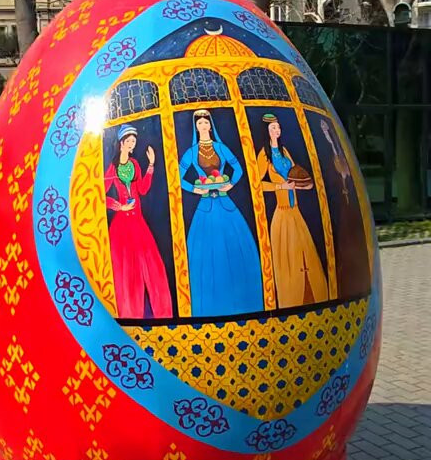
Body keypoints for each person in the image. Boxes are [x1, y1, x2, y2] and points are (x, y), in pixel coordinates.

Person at [179, 108, 263, 317]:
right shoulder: (192, 152)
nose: (203, 126)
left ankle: (245, 304)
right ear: (196, 127)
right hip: (205, 205)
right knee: (204, 257)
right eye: (199, 123)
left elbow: (238, 168)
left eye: (206, 122)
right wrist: (195, 189)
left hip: (225, 203)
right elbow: (178, 176)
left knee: (237, 251)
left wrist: (230, 184)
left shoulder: (220, 147)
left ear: (211, 125)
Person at [257, 113, 328, 308]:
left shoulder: (285, 151)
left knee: (305, 254)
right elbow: (257, 184)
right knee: (288, 257)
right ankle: (291, 298)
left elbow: (295, 173)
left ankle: (311, 295)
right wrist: (281, 187)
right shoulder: (264, 155)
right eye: (273, 128)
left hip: (295, 209)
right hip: (282, 211)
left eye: (278, 127)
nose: (277, 130)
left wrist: (303, 184)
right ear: (267, 131)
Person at [104, 124, 172, 320]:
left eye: (134, 141)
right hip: (121, 224)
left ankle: (163, 313)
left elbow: (142, 189)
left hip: (137, 220)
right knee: (127, 270)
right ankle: (130, 314)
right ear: (121, 143)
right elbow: (100, 193)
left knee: (152, 264)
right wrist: (118, 206)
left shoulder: (134, 164)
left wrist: (151, 166)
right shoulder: (113, 167)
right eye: (129, 141)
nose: (132, 144)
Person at [319, 118, 371, 297]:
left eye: (327, 129)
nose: (326, 132)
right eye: (324, 130)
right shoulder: (327, 154)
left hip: (348, 204)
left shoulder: (339, 151)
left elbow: (346, 172)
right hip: (339, 205)